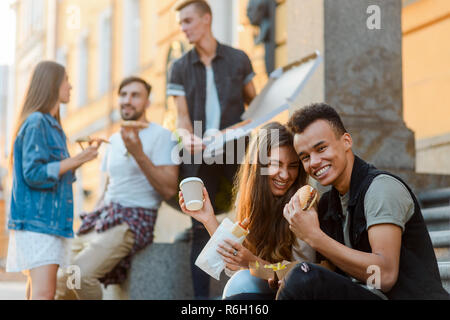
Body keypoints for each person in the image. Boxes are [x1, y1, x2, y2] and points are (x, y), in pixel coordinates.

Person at [280, 103, 449, 299]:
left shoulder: (381, 188)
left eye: (321, 148)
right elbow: (333, 272)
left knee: (303, 278)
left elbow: (384, 276)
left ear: (346, 141)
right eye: (305, 157)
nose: (314, 162)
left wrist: (314, 236)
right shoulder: (327, 204)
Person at [55, 76, 179, 300]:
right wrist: (93, 217)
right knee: (61, 279)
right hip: (104, 216)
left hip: (133, 218)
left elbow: (170, 189)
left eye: (135, 95)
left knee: (80, 275)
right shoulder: (114, 139)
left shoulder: (162, 136)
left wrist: (139, 153)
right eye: (123, 95)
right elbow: (106, 187)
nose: (127, 100)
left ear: (148, 103)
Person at [168, 0, 257, 299]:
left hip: (236, 150)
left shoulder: (239, 59)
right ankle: (201, 301)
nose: (183, 28)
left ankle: (253, 282)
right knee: (197, 225)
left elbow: (255, 110)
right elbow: (181, 116)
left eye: (188, 21)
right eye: (181, 23)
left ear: (207, 19)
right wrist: (185, 136)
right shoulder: (179, 67)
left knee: (248, 212)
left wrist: (228, 133)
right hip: (198, 153)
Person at [179, 122, 316, 300]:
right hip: (263, 288)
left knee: (240, 284)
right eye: (276, 164)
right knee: (240, 283)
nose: (285, 175)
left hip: (295, 293)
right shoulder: (247, 199)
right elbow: (237, 263)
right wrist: (208, 218)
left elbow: (305, 274)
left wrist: (252, 262)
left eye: (293, 166)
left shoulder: (303, 204)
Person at [6, 61, 101, 300]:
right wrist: (78, 158)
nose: (70, 86)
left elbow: (57, 175)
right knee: (44, 293)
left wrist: (80, 159)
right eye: (66, 80)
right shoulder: (38, 122)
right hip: (40, 223)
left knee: (38, 292)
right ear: (52, 84)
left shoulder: (53, 126)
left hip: (47, 223)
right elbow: (34, 174)